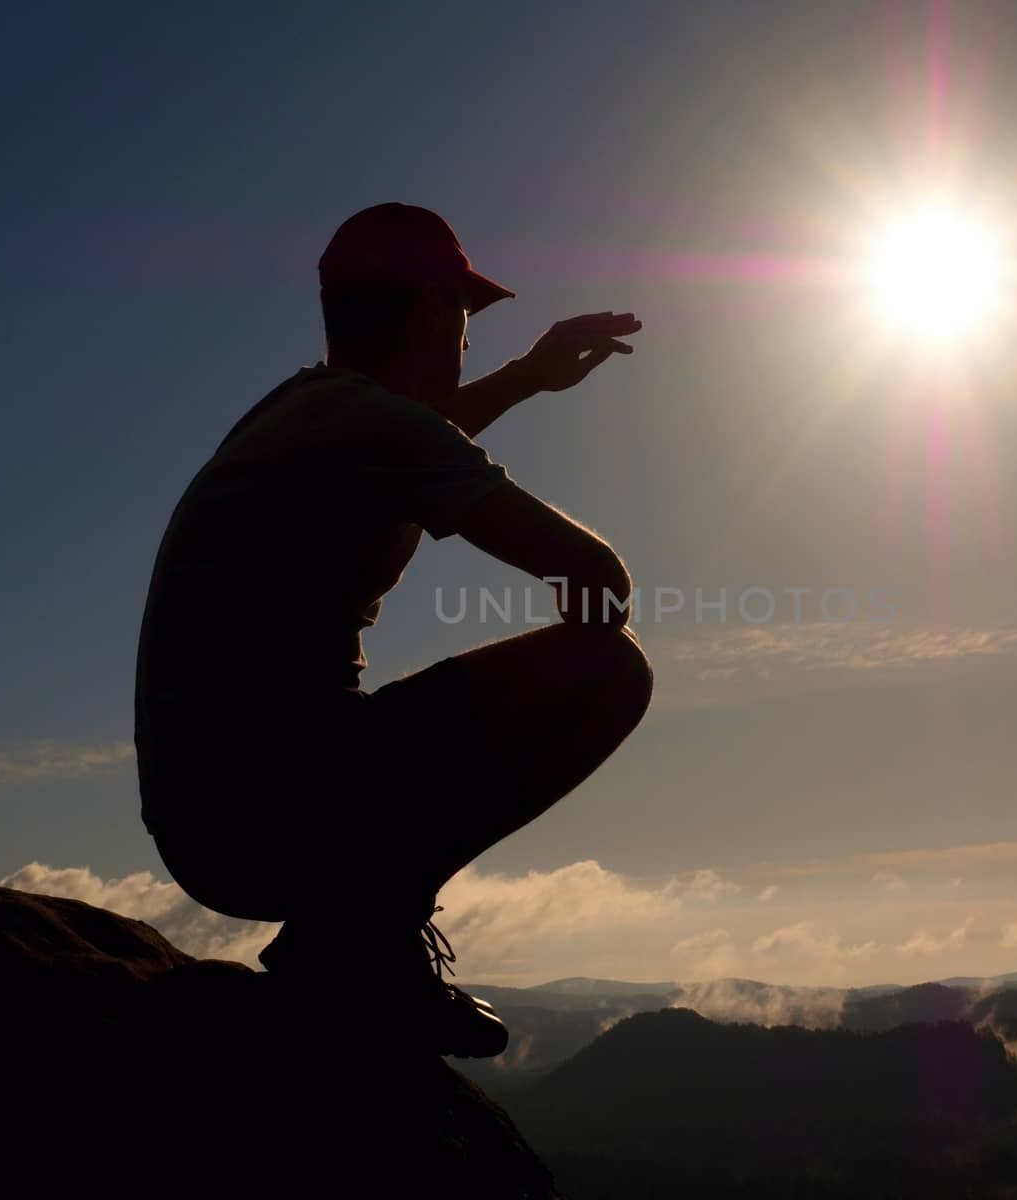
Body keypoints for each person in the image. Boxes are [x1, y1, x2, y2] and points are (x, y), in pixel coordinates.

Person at [132, 202, 654, 1057]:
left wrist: (526, 375)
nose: (467, 341)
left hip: (208, 818)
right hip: (271, 808)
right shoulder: (367, 424)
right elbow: (600, 581)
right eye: (465, 317)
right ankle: (360, 935)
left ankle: (347, 930)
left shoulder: (309, 411)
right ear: (428, 307)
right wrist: (521, 708)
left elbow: (418, 436)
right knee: (612, 671)